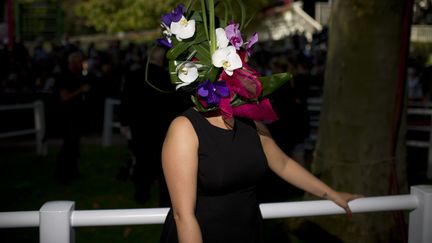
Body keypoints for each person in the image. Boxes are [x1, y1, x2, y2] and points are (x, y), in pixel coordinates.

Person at [157, 3, 361, 242]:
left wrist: (331, 194)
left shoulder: (247, 120)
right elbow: (184, 216)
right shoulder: (185, 129)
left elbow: (283, 164)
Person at [119, 45, 183, 205]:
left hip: (140, 128)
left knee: (142, 161)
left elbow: (125, 101)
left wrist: (124, 123)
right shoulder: (169, 78)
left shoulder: (133, 75)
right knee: (164, 165)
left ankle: (141, 195)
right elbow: (176, 104)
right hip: (163, 129)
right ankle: (164, 200)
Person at [54, 51, 91, 184]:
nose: (82, 64)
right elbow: (64, 97)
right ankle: (61, 174)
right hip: (67, 116)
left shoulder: (77, 75)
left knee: (74, 145)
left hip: (75, 115)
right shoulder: (64, 76)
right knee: (68, 145)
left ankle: (72, 171)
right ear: (74, 62)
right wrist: (80, 90)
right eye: (80, 61)